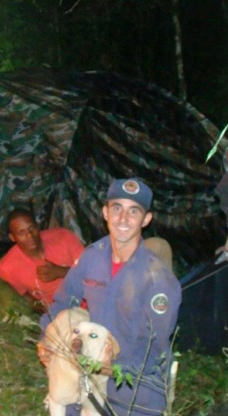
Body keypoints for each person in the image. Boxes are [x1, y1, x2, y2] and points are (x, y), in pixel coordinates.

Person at [38, 178, 182, 416]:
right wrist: (47, 338)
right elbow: (64, 301)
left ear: (146, 219)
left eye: (133, 211)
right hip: (89, 365)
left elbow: (154, 348)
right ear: (105, 213)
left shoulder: (158, 279)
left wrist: (114, 368)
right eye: (117, 208)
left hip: (135, 380)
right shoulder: (92, 257)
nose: (123, 219)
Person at [0, 208, 85, 312]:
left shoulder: (63, 237)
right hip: (62, 312)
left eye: (31, 228)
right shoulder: (7, 268)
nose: (29, 235)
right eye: (21, 233)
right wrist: (36, 304)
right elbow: (24, 294)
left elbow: (93, 272)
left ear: (37, 227)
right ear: (12, 237)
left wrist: (61, 271)